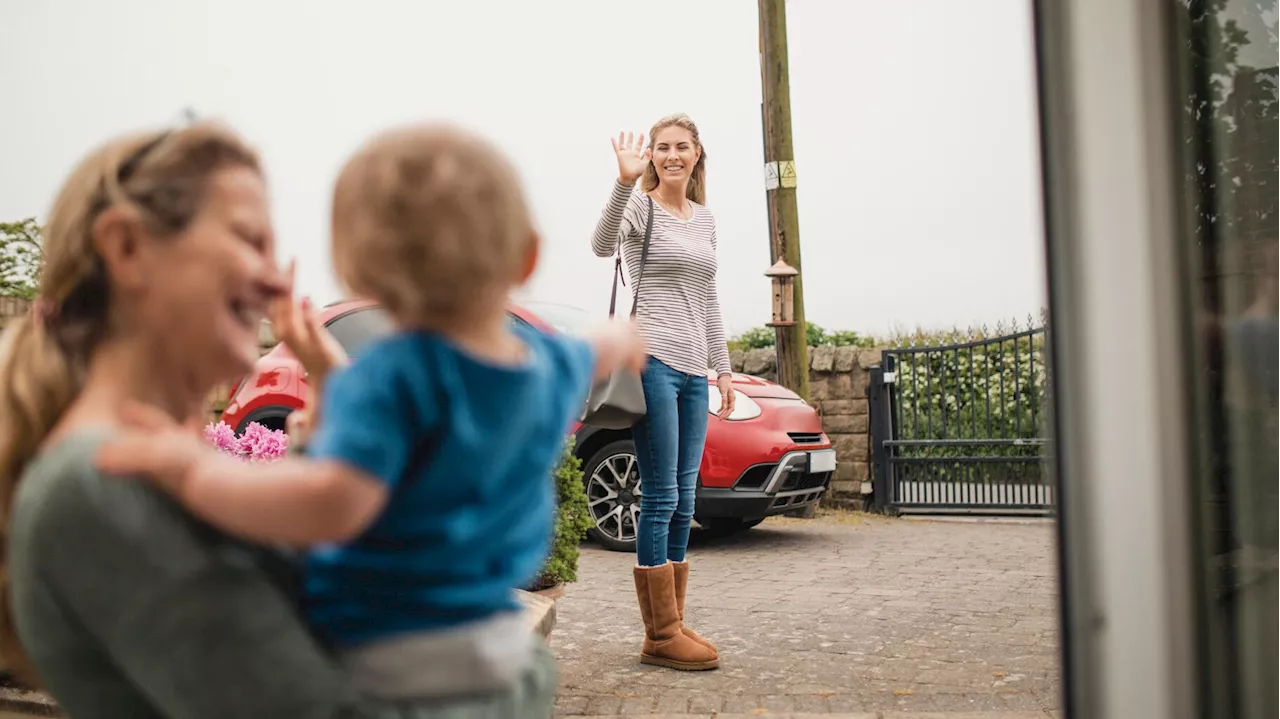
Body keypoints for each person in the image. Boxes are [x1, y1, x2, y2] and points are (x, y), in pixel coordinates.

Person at [0, 122, 548, 718]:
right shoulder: (98, 485)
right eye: (249, 239)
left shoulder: (141, 467)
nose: (274, 278)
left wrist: (341, 425)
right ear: (128, 247)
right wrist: (527, 674)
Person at [94, 122, 648, 705]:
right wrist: (620, 336)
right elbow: (596, 349)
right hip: (494, 650)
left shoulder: (386, 377)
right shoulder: (546, 364)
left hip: (385, 659)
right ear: (528, 257)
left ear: (353, 271)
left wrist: (192, 472)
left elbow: (332, 503)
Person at [591, 113, 732, 672]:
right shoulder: (641, 207)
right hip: (652, 362)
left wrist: (722, 369)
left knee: (686, 498)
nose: (672, 155)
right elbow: (602, 246)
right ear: (651, 155)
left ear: (698, 154)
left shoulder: (705, 219)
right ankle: (660, 633)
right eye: (661, 147)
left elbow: (711, 297)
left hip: (696, 369)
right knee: (661, 498)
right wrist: (624, 181)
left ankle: (671, 620)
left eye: (682, 146)